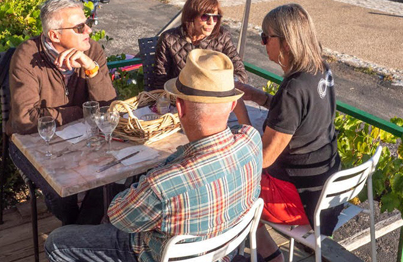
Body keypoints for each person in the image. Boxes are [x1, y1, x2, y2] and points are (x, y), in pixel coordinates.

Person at [45, 49, 263, 262]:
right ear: (233, 104)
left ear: (179, 106)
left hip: (151, 252)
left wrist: (149, 179)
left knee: (57, 242)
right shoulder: (251, 141)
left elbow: (119, 217)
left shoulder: (163, 184)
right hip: (223, 251)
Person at [235, 4, 340, 262]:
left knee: (234, 187)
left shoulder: (294, 88)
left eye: (265, 37)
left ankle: (270, 256)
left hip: (302, 204)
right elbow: (301, 114)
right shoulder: (319, 70)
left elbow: (263, 158)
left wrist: (239, 110)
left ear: (286, 43)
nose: (263, 44)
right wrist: (257, 96)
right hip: (329, 192)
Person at [8, 0, 117, 225]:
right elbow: (26, 121)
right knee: (61, 192)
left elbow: (108, 109)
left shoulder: (93, 51)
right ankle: (77, 238)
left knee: (113, 175)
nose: (88, 30)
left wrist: (92, 71)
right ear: (55, 35)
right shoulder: (27, 57)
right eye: (79, 27)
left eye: (87, 23)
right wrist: (83, 113)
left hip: (82, 138)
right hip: (32, 143)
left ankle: (76, 236)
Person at [152, 0, 250, 124]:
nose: (211, 22)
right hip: (181, 105)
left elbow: (241, 73)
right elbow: (160, 79)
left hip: (215, 105)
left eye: (215, 17)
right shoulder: (169, 39)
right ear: (191, 16)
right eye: (205, 16)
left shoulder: (222, 37)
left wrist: (221, 85)